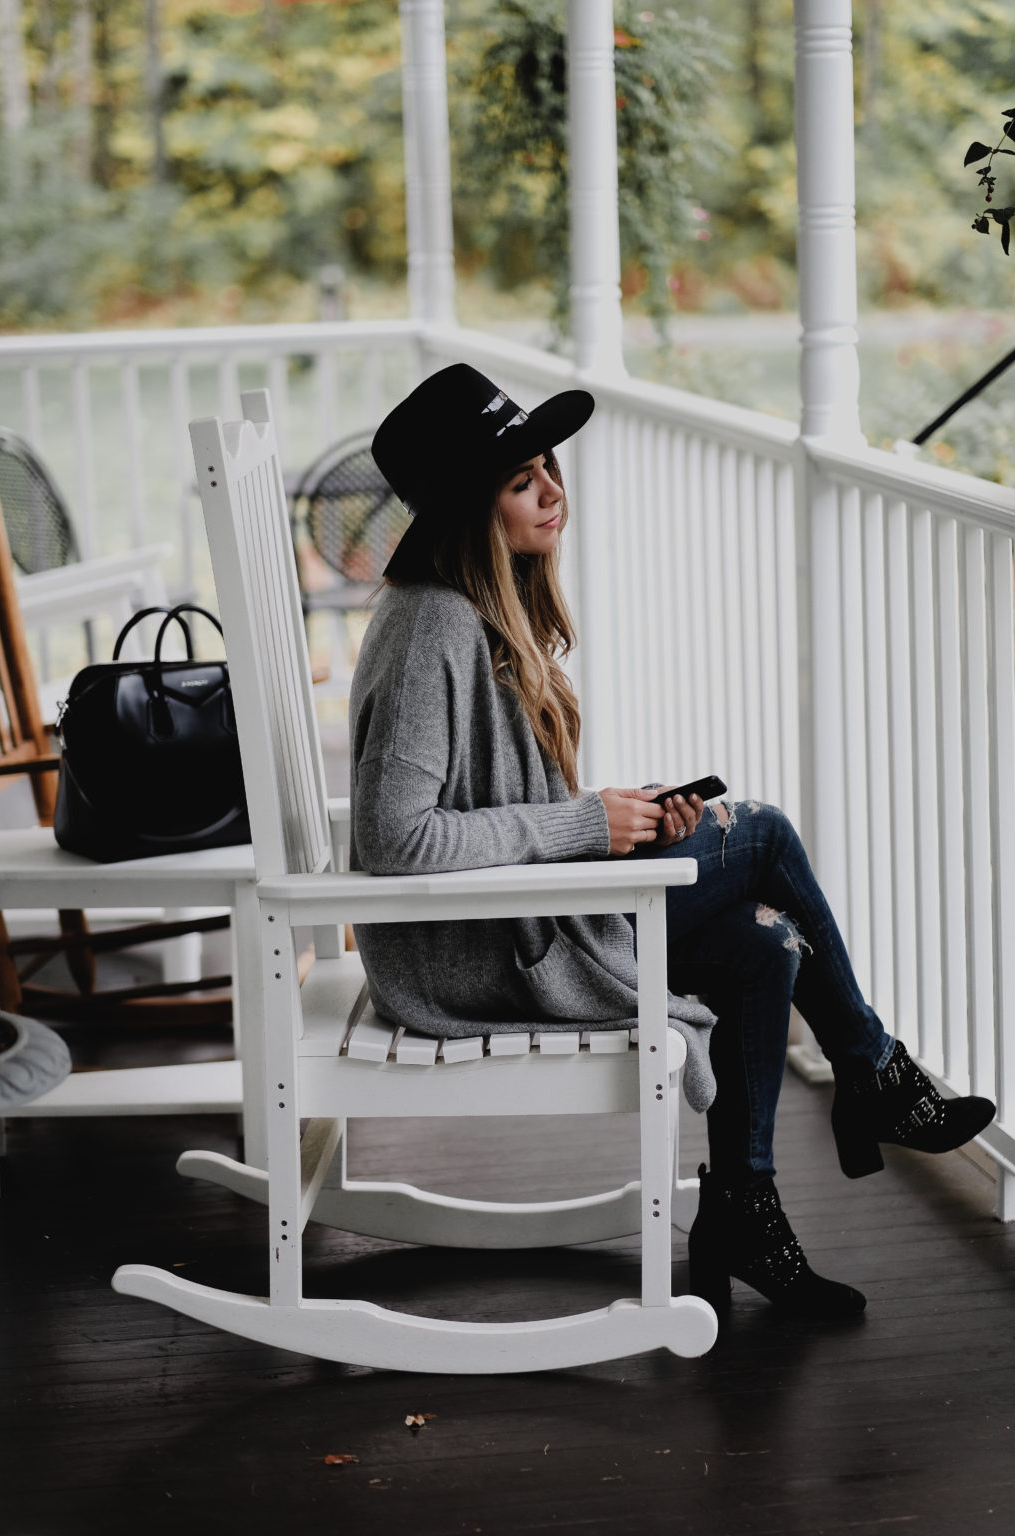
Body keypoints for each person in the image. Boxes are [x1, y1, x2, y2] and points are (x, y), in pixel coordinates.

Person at [348, 363, 995, 1321]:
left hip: (529, 916)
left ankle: (743, 1207)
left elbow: (498, 810)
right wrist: (587, 824)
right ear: (468, 510)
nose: (555, 492)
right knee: (765, 831)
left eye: (550, 468)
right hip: (480, 950)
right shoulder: (430, 624)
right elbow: (395, 841)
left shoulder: (478, 608)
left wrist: (628, 820)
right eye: (525, 480)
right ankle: (873, 1070)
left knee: (764, 939)